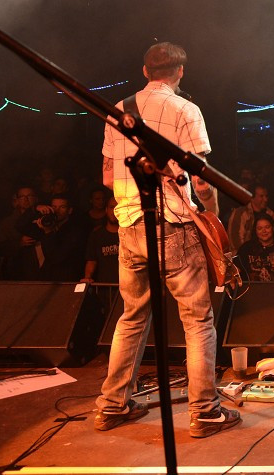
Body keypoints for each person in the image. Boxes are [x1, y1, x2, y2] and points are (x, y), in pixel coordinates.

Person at [95, 41, 240, 438]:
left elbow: (108, 178)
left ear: (145, 72)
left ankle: (112, 406)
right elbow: (200, 176)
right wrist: (212, 215)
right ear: (180, 72)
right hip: (173, 225)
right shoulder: (186, 110)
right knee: (197, 322)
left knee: (132, 316)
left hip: (129, 225)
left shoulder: (118, 111)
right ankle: (206, 412)